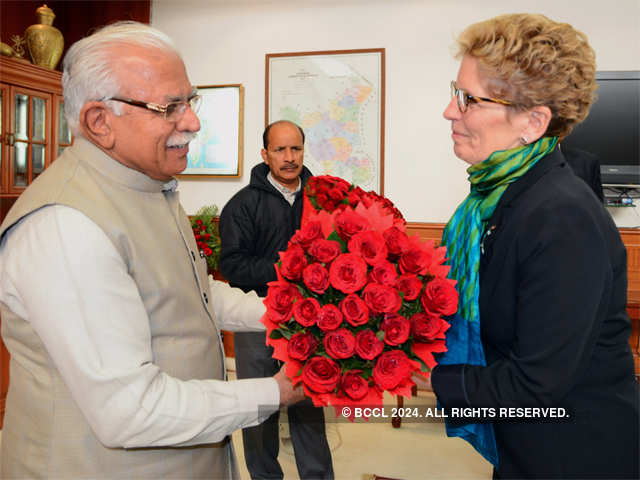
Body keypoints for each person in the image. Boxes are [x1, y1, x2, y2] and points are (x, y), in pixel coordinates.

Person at [0, 22, 304, 479]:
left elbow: (191, 294)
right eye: (169, 107)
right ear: (100, 122)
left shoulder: (147, 187)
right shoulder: (66, 226)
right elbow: (130, 408)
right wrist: (277, 392)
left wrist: (285, 312)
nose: (193, 122)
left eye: (190, 100)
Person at [431, 13, 639, 479]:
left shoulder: (561, 218)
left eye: (469, 99)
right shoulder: (497, 199)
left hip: (574, 455)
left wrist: (421, 375)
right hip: (525, 444)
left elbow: (535, 382)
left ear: (533, 121)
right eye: (454, 92)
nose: (450, 111)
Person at [219, 120, 334, 480]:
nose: (289, 158)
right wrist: (289, 267)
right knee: (259, 411)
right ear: (265, 154)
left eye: (295, 149)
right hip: (258, 320)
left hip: (310, 323)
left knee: (308, 408)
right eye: (280, 150)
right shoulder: (242, 205)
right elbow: (233, 266)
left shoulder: (321, 200)